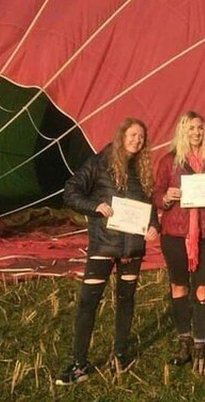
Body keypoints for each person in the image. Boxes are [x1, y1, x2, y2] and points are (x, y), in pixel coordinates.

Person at [57, 117, 159, 385]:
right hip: (104, 244)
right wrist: (95, 207)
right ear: (121, 135)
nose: (137, 140)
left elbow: (150, 208)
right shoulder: (100, 162)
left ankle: (120, 354)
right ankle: (79, 363)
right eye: (133, 135)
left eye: (141, 137)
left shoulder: (143, 170)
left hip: (133, 248)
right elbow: (70, 191)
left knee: (126, 301)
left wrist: (153, 227)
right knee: (88, 303)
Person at [154, 111, 205, 371]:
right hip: (176, 235)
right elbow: (156, 194)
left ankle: (201, 342)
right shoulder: (169, 161)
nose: (196, 133)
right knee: (179, 287)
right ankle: (184, 339)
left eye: (200, 128)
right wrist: (167, 197)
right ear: (181, 131)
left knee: (202, 289)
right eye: (190, 128)